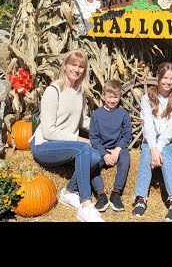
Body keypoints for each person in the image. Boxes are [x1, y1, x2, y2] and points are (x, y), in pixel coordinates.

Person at [30, 49, 105, 222]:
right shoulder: (53, 91)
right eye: (73, 64)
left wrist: (104, 128)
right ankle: (86, 206)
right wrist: (79, 139)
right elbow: (48, 131)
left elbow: (82, 121)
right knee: (83, 149)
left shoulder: (79, 92)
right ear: (65, 65)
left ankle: (69, 191)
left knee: (96, 156)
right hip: (44, 145)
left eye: (81, 66)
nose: (77, 69)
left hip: (68, 145)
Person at [132, 62, 172, 221]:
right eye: (165, 78)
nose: (168, 82)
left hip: (169, 140)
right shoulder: (146, 98)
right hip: (151, 139)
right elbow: (147, 125)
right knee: (145, 153)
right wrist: (152, 148)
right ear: (158, 77)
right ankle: (141, 198)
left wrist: (158, 147)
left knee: (164, 154)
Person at [89, 79, 132, 212]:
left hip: (118, 148)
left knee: (125, 159)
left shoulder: (123, 114)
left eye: (116, 97)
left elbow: (127, 135)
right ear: (103, 96)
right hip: (101, 148)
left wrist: (117, 150)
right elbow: (94, 138)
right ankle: (101, 195)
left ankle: (116, 193)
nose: (112, 100)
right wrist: (104, 153)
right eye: (110, 97)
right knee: (91, 162)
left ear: (120, 97)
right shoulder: (96, 115)